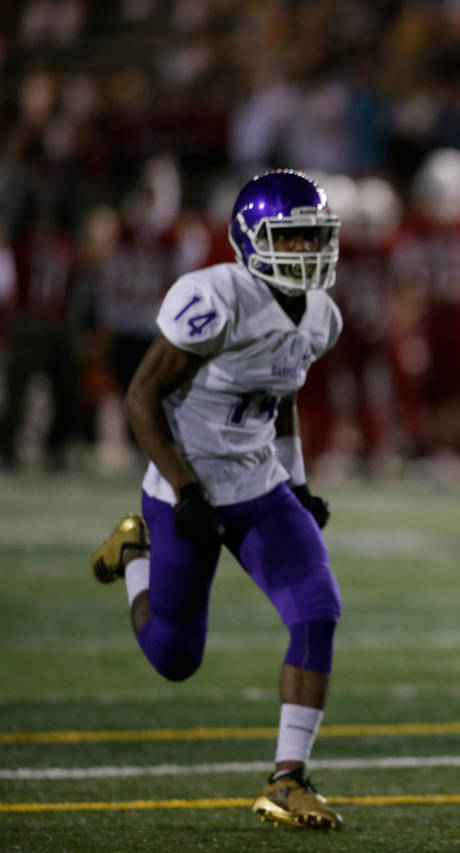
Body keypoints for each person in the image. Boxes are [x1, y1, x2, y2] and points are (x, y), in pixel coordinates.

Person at [89, 170, 346, 829]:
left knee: (317, 607)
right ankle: (133, 552)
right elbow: (141, 397)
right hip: (187, 486)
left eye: (314, 236)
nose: (305, 251)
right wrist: (183, 490)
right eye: (289, 239)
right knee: (176, 657)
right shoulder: (212, 295)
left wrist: (295, 480)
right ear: (249, 240)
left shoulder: (321, 313)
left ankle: (287, 780)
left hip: (257, 486)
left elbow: (280, 392)